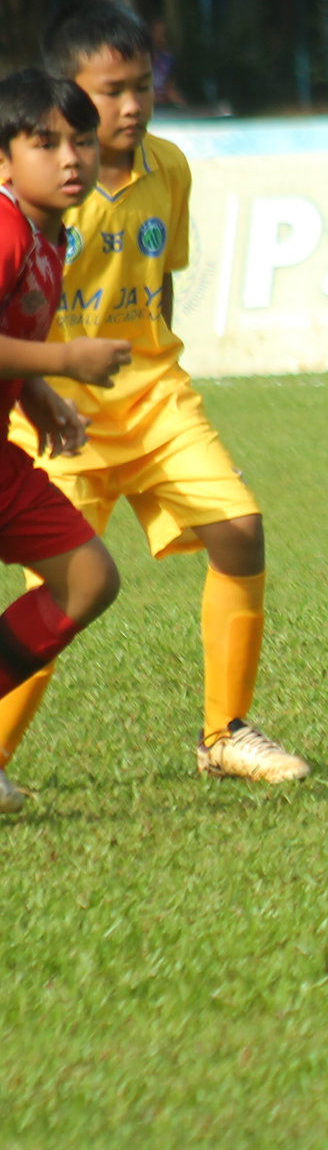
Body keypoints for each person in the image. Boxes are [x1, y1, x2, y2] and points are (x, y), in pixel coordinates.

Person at [1, 3, 312, 787]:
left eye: (142, 87)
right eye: (109, 92)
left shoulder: (167, 167)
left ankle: (225, 731)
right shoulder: (31, 205)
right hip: (64, 410)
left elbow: (158, 288)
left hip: (155, 397)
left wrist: (151, 366)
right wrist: (48, 382)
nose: (131, 106)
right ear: (61, 99)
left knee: (240, 528)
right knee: (61, 591)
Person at [0, 69, 133, 812]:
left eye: (80, 138)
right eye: (43, 141)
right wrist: (63, 361)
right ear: (3, 162)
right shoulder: (5, 228)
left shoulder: (52, 236)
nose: (70, 156)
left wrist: (41, 394)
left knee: (88, 579)